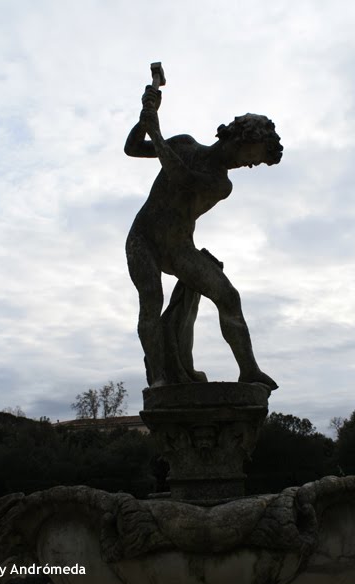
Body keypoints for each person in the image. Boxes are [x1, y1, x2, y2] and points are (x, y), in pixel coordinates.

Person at [125, 84, 283, 389]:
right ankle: (159, 378)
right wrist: (146, 118)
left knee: (228, 296)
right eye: (254, 156)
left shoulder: (221, 184)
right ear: (240, 138)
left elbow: (181, 177)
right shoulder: (183, 144)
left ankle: (249, 370)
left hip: (179, 247)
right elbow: (132, 148)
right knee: (151, 300)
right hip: (143, 239)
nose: (251, 164)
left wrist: (155, 131)